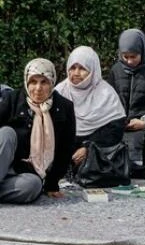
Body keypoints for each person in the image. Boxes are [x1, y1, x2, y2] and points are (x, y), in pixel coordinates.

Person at [0, 58, 76, 203]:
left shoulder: (64, 107)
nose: (38, 88)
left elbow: (65, 149)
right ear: (26, 82)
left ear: (52, 82)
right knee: (6, 133)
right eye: (33, 82)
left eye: (44, 82)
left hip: (22, 174)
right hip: (4, 162)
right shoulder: (13, 99)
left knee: (33, 186)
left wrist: (52, 183)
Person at [55, 46, 126, 168]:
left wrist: (89, 148)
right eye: (72, 68)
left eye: (82, 68)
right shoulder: (60, 92)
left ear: (93, 70)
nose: (76, 73)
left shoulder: (106, 94)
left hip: (99, 159)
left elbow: (114, 131)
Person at [108, 29, 145, 178]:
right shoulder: (116, 70)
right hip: (121, 126)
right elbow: (108, 100)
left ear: (143, 52)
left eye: (134, 56)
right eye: (125, 57)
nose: (129, 61)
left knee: (140, 140)